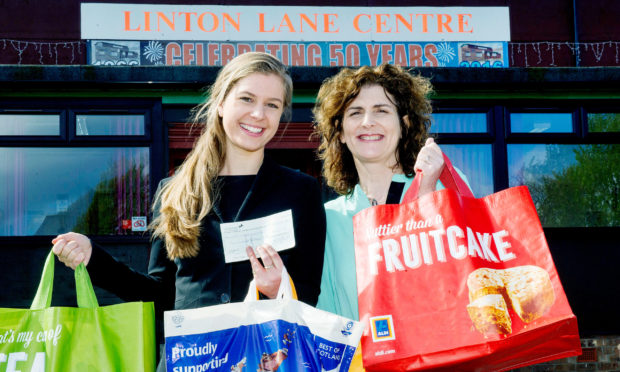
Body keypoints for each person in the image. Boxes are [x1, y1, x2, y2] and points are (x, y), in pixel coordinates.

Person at [51, 52, 326, 370]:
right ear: (221, 103)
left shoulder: (301, 191)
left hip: (262, 359)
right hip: (190, 359)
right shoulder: (175, 191)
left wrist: (279, 289)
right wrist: (94, 260)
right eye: (247, 99)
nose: (258, 114)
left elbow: (308, 294)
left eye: (272, 105)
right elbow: (162, 297)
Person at [312, 63, 468, 321]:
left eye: (381, 111)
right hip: (361, 360)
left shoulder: (441, 184)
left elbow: (464, 275)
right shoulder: (328, 219)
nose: (368, 122)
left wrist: (427, 199)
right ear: (339, 132)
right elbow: (325, 313)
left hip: (443, 358)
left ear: (404, 123)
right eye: (355, 112)